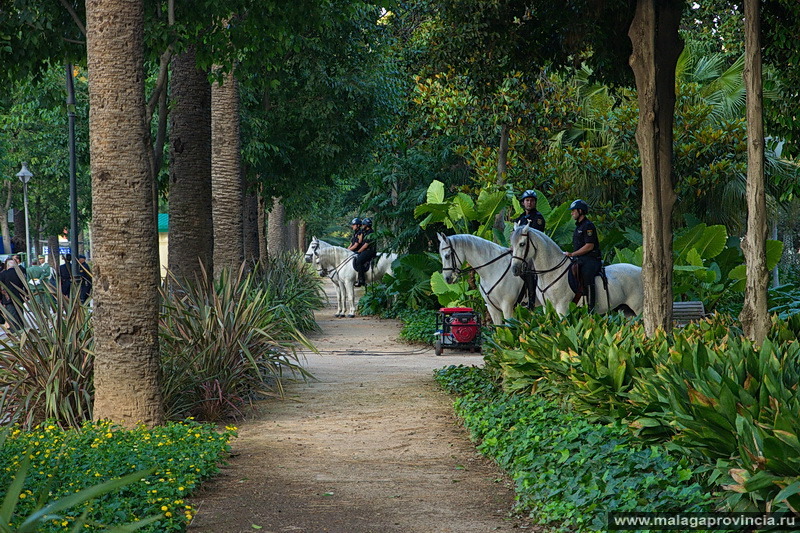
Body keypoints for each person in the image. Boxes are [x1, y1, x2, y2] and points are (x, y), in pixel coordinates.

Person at [564, 199, 602, 311]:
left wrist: (573, 254)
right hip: (580, 258)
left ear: (580, 211)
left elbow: (589, 245)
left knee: (586, 274)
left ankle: (591, 305)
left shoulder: (588, 226)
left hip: (591, 259)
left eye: (573, 211)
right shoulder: (578, 227)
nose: (572, 213)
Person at [514, 190, 546, 308]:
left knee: (529, 270)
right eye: (527, 200)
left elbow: (535, 237)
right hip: (520, 251)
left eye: (532, 201)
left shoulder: (538, 218)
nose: (529, 203)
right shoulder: (519, 219)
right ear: (523, 203)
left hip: (533, 252)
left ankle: (531, 301)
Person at [0, 258, 29, 331]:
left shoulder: (3, 274)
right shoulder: (20, 273)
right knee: (20, 313)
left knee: (12, 315)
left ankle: (15, 331)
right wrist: (27, 295)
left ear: (7, 265)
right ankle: (22, 329)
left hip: (8, 298)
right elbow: (25, 285)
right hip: (19, 297)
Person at [353, 217, 377, 287]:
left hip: (369, 251)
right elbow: (360, 242)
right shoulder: (365, 233)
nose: (362, 226)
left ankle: (361, 279)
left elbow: (365, 245)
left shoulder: (370, 233)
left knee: (359, 261)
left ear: (366, 225)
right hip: (366, 251)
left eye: (363, 225)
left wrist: (358, 251)